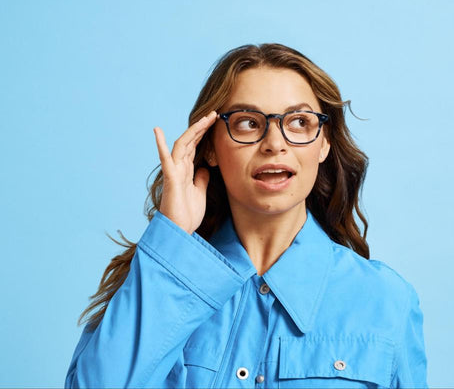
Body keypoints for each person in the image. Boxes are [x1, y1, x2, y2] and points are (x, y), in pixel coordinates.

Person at [64, 43, 428, 388]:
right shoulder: (158, 282)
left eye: (300, 121)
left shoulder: (386, 299)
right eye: (248, 123)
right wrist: (172, 237)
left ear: (324, 143)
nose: (275, 142)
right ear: (209, 147)